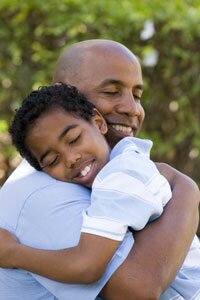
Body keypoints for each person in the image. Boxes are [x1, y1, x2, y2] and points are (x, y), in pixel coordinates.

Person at [0, 40, 199, 300]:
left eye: (136, 95)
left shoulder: (119, 173)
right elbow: (137, 289)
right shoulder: (45, 194)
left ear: (97, 122)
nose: (132, 108)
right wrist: (186, 190)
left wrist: (186, 189)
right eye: (111, 91)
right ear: (64, 91)